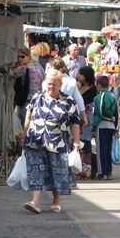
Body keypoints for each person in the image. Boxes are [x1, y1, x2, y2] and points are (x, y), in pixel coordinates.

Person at [22, 70, 82, 214]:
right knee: (37, 171)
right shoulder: (37, 97)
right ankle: (35, 202)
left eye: (54, 84)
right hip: (35, 141)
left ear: (60, 85)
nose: (51, 87)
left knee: (57, 173)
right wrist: (24, 135)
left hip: (57, 143)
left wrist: (76, 141)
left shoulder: (68, 101)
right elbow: (28, 116)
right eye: (49, 84)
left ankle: (56, 201)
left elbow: (75, 122)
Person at [93, 75, 118, 180]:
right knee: (108, 150)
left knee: (101, 150)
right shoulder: (113, 96)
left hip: (102, 125)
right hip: (112, 126)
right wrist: (116, 127)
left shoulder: (98, 97)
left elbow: (101, 110)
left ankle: (102, 172)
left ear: (98, 85)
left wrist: (107, 118)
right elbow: (117, 113)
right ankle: (109, 172)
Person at [12, 46, 45, 125]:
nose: (20, 59)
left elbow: (10, 75)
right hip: (39, 99)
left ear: (28, 56)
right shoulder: (39, 66)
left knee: (25, 123)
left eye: (22, 56)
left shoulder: (23, 68)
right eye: (18, 57)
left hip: (27, 100)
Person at [77, 65, 97, 177]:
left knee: (86, 141)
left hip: (87, 118)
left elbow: (91, 103)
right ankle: (79, 166)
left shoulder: (92, 89)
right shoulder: (78, 86)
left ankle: (86, 166)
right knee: (78, 141)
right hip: (78, 118)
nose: (78, 76)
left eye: (81, 74)